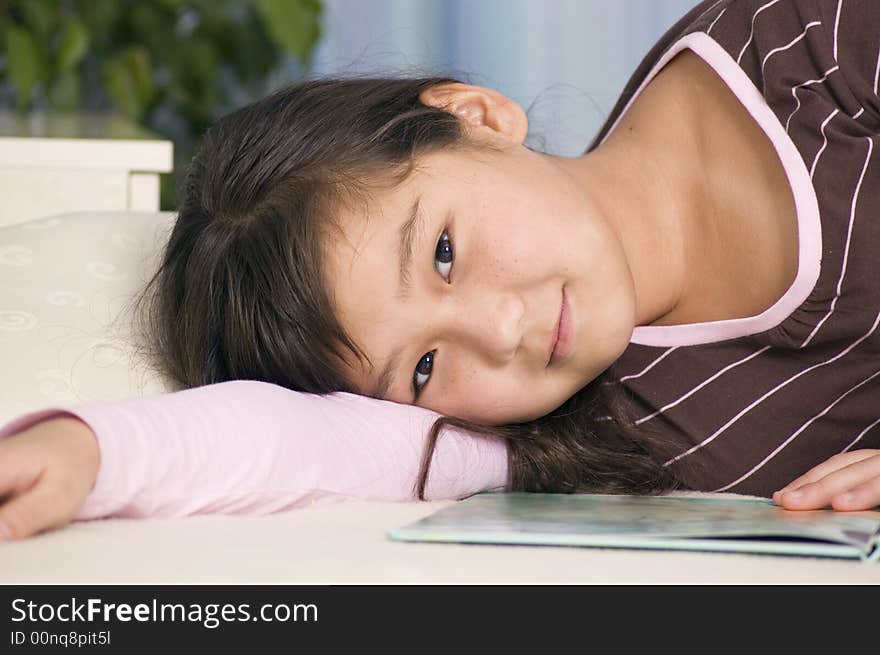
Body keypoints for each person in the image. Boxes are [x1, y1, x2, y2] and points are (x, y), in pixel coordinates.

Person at [1, 0, 878, 542]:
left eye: (444, 253)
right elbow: (304, 442)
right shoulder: (578, 435)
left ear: (474, 115)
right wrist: (90, 453)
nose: (499, 334)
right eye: (423, 368)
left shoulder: (816, 45)